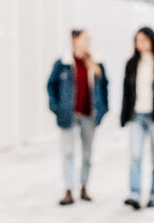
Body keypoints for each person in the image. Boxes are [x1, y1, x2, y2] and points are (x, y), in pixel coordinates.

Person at [47, 29, 110, 206]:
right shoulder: (63, 63)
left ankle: (84, 186)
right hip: (69, 114)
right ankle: (68, 189)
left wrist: (103, 109)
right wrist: (56, 107)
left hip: (89, 114)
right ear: (74, 40)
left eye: (88, 40)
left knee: (87, 153)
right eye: (84, 39)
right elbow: (51, 85)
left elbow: (104, 86)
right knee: (68, 152)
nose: (87, 43)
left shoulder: (96, 63)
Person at [120, 27, 154, 210]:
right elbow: (127, 93)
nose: (140, 44)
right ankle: (134, 193)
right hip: (137, 116)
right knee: (135, 155)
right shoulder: (131, 64)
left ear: (152, 41)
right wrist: (124, 116)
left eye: (144, 40)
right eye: (137, 40)